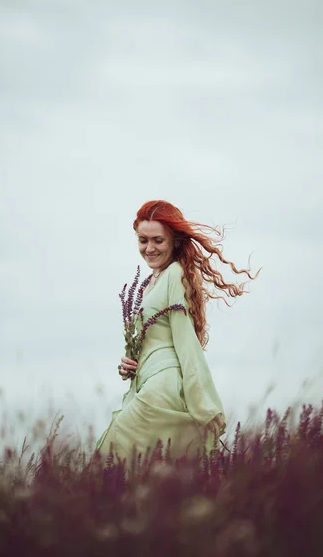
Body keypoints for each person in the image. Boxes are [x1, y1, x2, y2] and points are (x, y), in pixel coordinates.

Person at [95, 200, 261, 469]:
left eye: (158, 240)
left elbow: (186, 342)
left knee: (114, 452)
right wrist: (130, 365)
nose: (150, 248)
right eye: (143, 240)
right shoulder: (149, 283)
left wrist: (204, 403)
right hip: (145, 381)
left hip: (163, 385)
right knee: (137, 465)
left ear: (174, 240)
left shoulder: (175, 274)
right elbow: (152, 338)